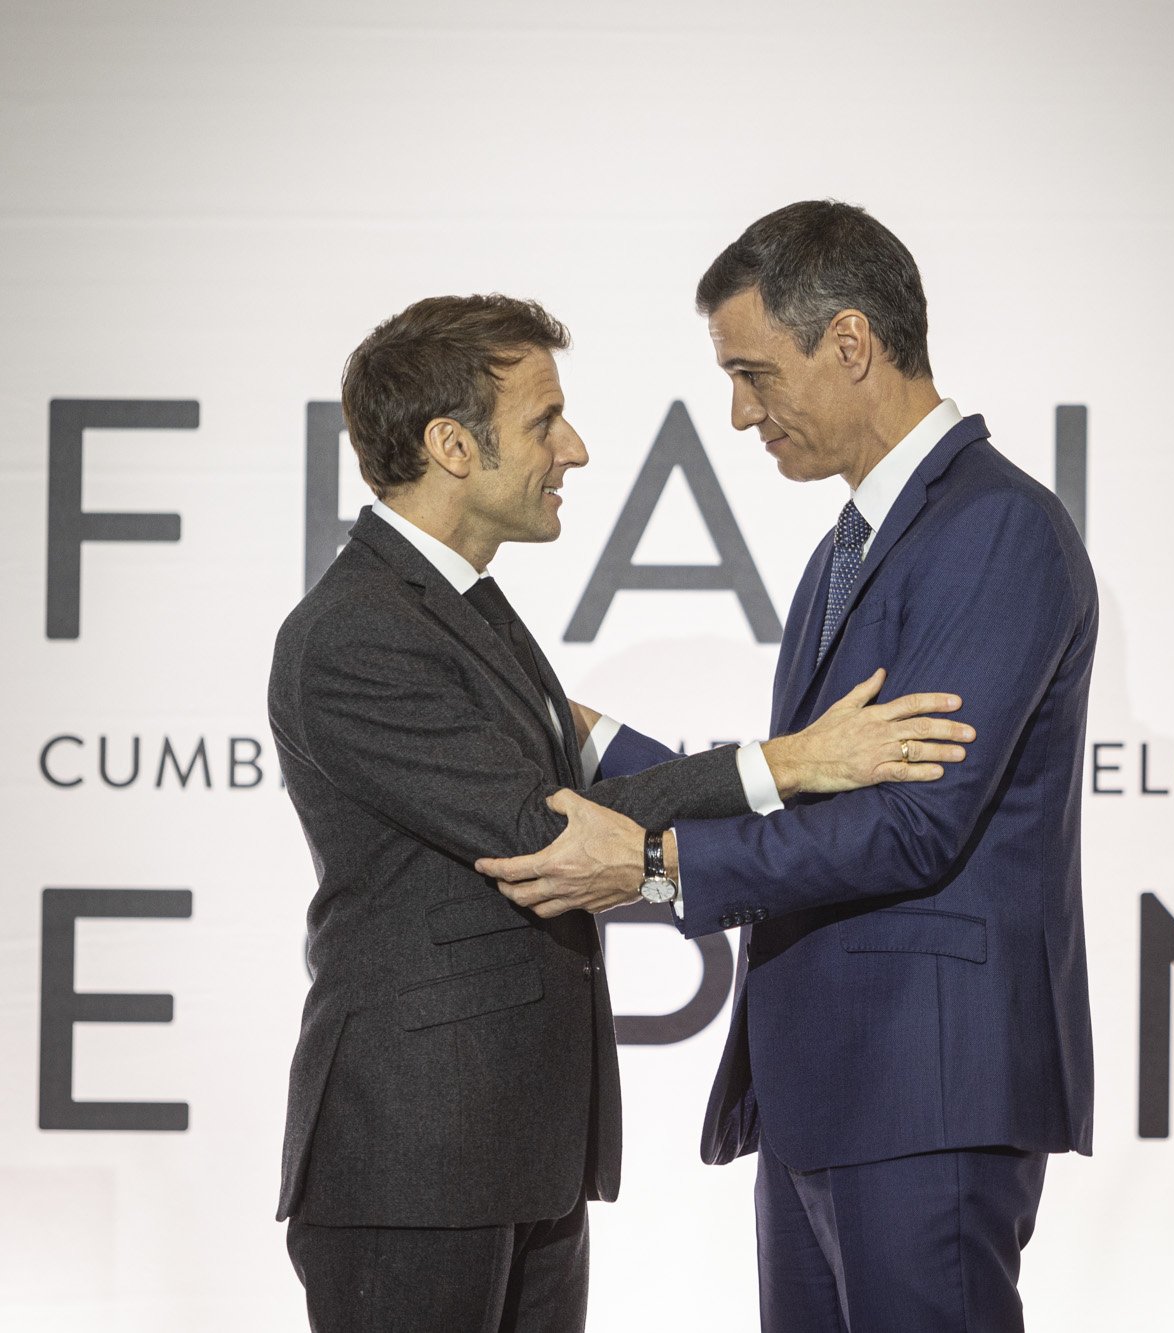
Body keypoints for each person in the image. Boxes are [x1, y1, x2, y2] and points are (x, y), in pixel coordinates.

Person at [267, 292, 973, 1332]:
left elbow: (569, 773)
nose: (576, 448)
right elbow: (544, 830)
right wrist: (788, 763)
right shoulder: (356, 634)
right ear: (452, 445)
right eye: (543, 422)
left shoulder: (461, 605)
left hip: (516, 1153)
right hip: (415, 1163)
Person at [480, 201, 1098, 1331]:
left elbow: (913, 824)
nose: (737, 414)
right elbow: (800, 782)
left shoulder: (994, 530)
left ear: (851, 343)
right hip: (832, 1092)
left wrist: (655, 867)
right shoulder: (843, 548)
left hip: (927, 1088)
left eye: (754, 374)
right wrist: (585, 736)